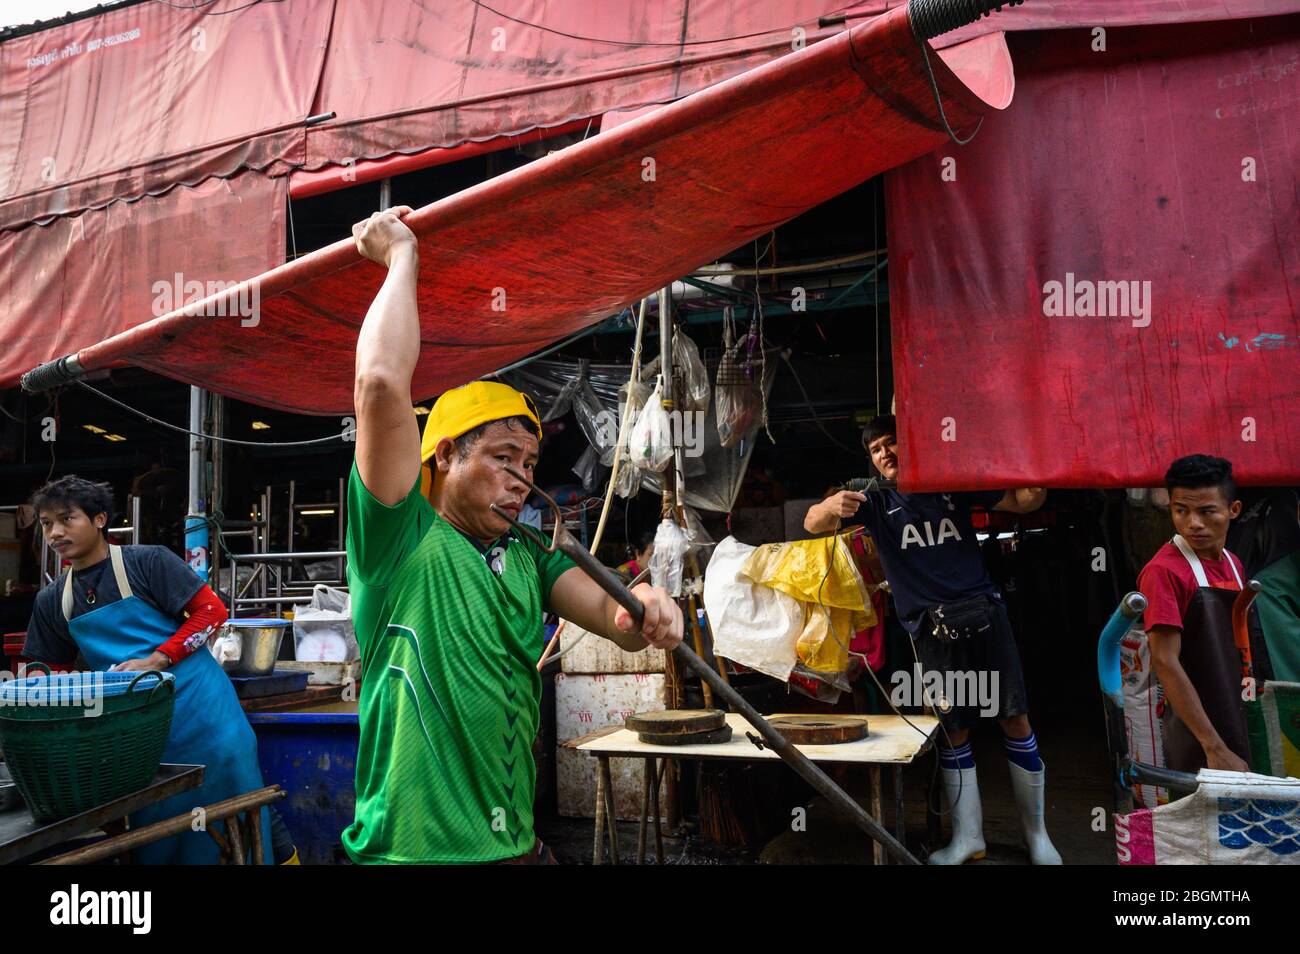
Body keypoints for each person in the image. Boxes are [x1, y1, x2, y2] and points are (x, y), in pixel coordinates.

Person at [342, 206, 684, 864]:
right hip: (412, 854)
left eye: (529, 465)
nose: (521, 480)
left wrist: (649, 610)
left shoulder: (529, 554)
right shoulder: (400, 537)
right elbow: (380, 383)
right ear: (443, 458)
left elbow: (615, 615)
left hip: (516, 848)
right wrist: (401, 256)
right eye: (501, 458)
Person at [804, 415, 1061, 865]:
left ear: (913, 443)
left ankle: (1038, 837)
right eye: (875, 450)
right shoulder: (873, 500)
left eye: (891, 443)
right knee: (954, 729)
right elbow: (812, 522)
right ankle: (969, 839)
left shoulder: (950, 481)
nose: (885, 454)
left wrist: (1035, 463)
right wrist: (831, 507)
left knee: (1014, 719)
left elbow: (1022, 501)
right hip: (932, 629)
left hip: (984, 616)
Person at [23, 476, 287, 863]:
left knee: (239, 820)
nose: (56, 532)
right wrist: (39, 686)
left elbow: (212, 612)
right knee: (161, 835)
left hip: (205, 718)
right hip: (138, 740)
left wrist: (159, 658)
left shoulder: (147, 562)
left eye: (67, 519)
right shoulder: (53, 600)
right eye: (47, 523)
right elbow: (45, 667)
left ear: (99, 520)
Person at [1138, 455, 1253, 774]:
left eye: (1206, 511)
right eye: (1181, 510)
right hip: (1197, 733)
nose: (1193, 523)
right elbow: (1165, 661)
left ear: (1234, 510)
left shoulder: (1233, 562)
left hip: (1235, 711)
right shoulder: (1164, 572)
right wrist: (1213, 746)